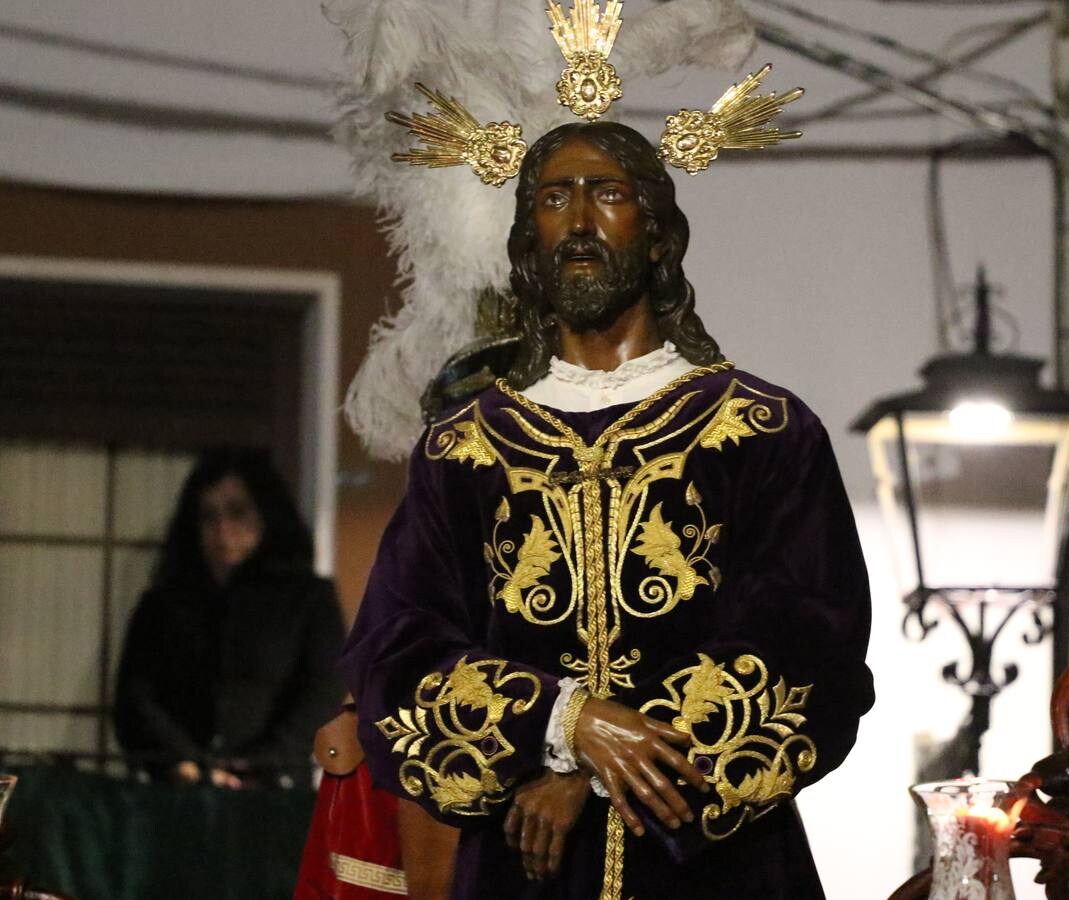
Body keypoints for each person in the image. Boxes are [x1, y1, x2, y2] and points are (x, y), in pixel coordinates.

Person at [341, 121, 874, 899]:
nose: (581, 221)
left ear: (658, 236)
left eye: (609, 194)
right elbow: (396, 653)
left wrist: (589, 777)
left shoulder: (760, 430)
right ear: (530, 242)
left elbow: (807, 646)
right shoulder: (465, 450)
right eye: (555, 199)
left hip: (713, 868)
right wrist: (564, 722)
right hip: (525, 869)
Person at [115, 448, 345, 787]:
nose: (223, 529)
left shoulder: (309, 600)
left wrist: (258, 765)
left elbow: (321, 693)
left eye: (238, 513)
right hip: (175, 789)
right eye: (209, 516)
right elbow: (135, 697)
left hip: (272, 791)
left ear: (266, 514)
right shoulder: (162, 603)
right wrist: (184, 763)